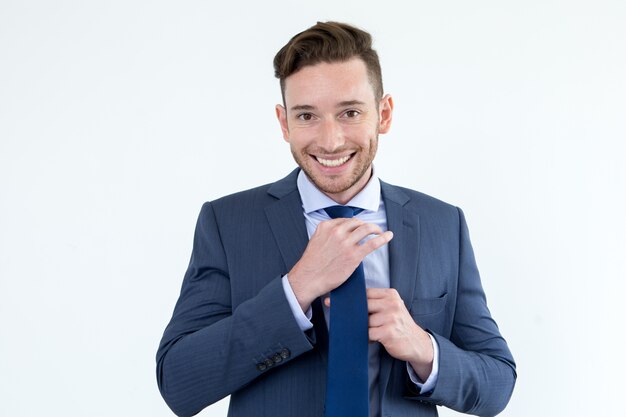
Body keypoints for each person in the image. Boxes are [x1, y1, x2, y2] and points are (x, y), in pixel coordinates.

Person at [156, 21, 516, 417]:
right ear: (283, 123)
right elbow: (179, 382)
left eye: (349, 112)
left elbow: (497, 383)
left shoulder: (441, 224)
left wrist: (422, 347)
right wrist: (296, 289)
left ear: (384, 114)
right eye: (307, 116)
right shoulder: (227, 223)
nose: (330, 141)